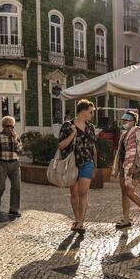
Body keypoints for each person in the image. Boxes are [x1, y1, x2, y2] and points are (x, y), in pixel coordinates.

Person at [112, 111, 140, 229]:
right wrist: (117, 167)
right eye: (123, 121)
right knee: (124, 192)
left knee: (129, 192)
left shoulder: (138, 132)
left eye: (126, 121)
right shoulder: (123, 135)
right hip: (124, 166)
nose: (124, 122)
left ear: (133, 122)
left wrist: (135, 166)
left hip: (135, 167)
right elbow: (120, 152)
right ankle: (126, 219)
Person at [58, 99, 97, 233]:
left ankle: (81, 223)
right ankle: (77, 219)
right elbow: (61, 145)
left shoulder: (91, 127)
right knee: (74, 193)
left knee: (83, 193)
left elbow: (93, 147)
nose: (92, 114)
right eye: (90, 112)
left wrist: (95, 165)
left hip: (87, 162)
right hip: (72, 164)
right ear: (83, 111)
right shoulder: (67, 126)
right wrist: (73, 133)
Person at [0, 116, 22, 217]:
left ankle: (14, 209)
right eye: (8, 126)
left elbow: (20, 150)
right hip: (1, 164)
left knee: (16, 187)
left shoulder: (16, 136)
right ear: (3, 126)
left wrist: (16, 140)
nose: (10, 128)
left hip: (15, 164)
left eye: (12, 126)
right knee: (0, 187)